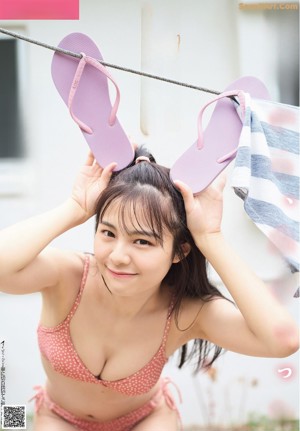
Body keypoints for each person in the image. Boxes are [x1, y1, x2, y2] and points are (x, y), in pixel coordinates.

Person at [0, 146, 298, 431]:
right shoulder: (68, 277)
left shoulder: (185, 313)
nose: (118, 255)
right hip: (59, 417)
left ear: (179, 252)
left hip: (146, 420)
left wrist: (210, 238)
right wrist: (74, 207)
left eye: (142, 241)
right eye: (108, 233)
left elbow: (282, 340)